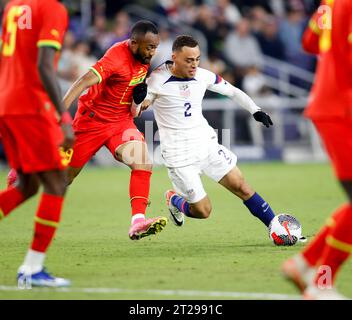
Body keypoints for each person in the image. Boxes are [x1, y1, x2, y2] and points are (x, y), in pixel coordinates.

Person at [139, 35, 277, 232]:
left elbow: (233, 91)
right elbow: (138, 109)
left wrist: (255, 110)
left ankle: (276, 227)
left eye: (197, 59)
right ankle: (174, 199)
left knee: (242, 186)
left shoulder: (202, 75)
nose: (194, 64)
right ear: (174, 57)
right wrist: (139, 100)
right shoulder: (156, 80)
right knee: (203, 211)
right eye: (189, 60)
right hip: (178, 155)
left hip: (205, 144)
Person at [62, 20, 167, 240]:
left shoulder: (143, 58)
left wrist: (138, 103)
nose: (153, 52)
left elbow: (131, 106)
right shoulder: (116, 57)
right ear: (134, 43)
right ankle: (29, 167)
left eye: (155, 47)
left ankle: (138, 221)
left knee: (142, 161)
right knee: (64, 178)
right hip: (91, 123)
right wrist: (59, 112)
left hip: (120, 123)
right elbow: (82, 82)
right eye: (149, 47)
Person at [0, 0, 74, 287]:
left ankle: (32, 268)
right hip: (30, 106)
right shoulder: (52, 8)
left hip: (7, 102)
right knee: (56, 182)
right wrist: (63, 117)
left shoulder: (14, 6)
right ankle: (32, 269)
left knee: (27, 185)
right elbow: (44, 65)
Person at [282, 0, 352, 300]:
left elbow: (311, 41)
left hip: (332, 103)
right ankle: (320, 282)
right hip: (342, 107)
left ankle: (306, 264)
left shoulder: (332, 3)